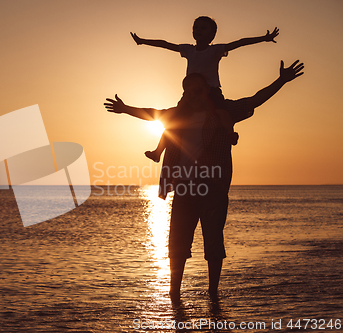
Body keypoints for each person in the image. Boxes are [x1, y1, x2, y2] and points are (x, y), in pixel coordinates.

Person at [104, 60, 304, 300]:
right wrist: (125, 108)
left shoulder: (223, 114)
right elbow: (151, 114)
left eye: (197, 90)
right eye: (187, 91)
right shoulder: (176, 117)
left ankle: (213, 292)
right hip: (185, 186)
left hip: (213, 187)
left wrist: (281, 80)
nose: (192, 95)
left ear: (206, 90)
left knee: (213, 242)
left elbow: (254, 101)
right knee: (177, 243)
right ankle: (174, 293)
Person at [131, 16, 279, 163]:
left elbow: (240, 43)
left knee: (222, 112)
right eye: (195, 27)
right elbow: (165, 44)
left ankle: (230, 134)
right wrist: (143, 41)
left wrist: (263, 38)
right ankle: (158, 152)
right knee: (174, 120)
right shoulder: (188, 49)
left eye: (203, 28)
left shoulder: (215, 50)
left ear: (212, 35)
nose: (198, 30)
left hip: (211, 90)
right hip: (190, 93)